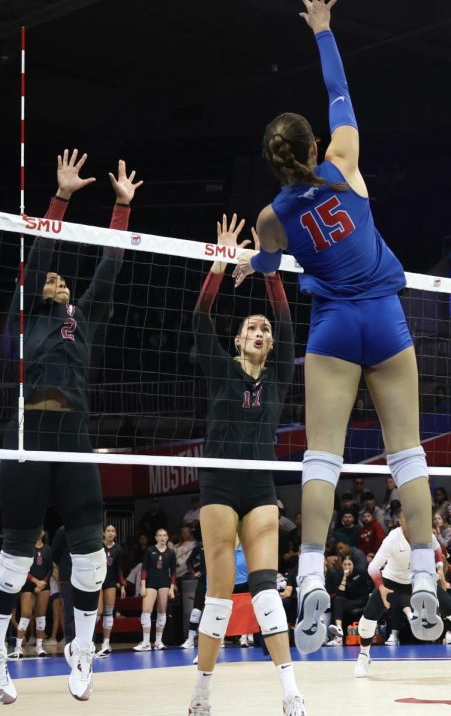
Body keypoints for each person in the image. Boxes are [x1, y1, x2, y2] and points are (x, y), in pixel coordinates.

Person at [232, 0, 440, 650]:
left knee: (321, 458)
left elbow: (269, 262)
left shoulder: (273, 216)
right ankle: (429, 583)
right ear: (315, 144)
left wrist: (249, 266)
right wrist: (321, 26)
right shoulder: (344, 163)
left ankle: (312, 582)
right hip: (383, 316)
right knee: (407, 456)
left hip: (332, 328)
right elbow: (340, 92)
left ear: (272, 164)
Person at [0, 151, 141, 706]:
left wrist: (121, 207)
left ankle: (82, 650)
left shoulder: (84, 316)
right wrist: (62, 198)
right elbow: (38, 254)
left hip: (75, 435)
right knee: (17, 554)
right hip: (26, 434)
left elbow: (110, 265)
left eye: (57, 277)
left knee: (92, 556)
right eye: (46, 278)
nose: (52, 278)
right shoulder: (29, 315)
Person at [188, 214, 306, 716]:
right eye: (250, 328)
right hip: (217, 484)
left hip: (259, 485)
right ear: (238, 341)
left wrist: (270, 268)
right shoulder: (220, 370)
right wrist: (219, 263)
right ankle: (201, 692)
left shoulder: (278, 375)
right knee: (218, 596)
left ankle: (291, 692)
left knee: (265, 590)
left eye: (263, 329)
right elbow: (199, 320)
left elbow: (287, 321)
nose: (259, 331)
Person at [354, 501, 451, 676]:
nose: (413, 521)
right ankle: (363, 656)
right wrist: (381, 587)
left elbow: (437, 550)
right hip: (393, 581)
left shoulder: (425, 534)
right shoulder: (392, 537)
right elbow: (373, 568)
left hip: (421, 580)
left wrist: (439, 571)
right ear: (400, 521)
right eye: (408, 518)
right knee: (368, 617)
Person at [11, 530, 52, 658]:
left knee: (41, 616)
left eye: (40, 530)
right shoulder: (27, 549)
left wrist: (43, 583)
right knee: (25, 615)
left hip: (44, 585)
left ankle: (39, 647)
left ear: (44, 533)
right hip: (28, 584)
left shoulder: (48, 549)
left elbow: (51, 568)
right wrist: (35, 581)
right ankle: (18, 647)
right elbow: (23, 568)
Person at [135, 529, 176, 651]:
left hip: (164, 584)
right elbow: (144, 569)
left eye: (164, 535)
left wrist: (172, 588)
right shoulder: (150, 551)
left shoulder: (171, 553)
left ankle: (158, 642)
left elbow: (173, 572)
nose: (162, 537)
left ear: (167, 537)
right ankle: (146, 642)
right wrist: (142, 586)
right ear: (156, 537)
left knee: (162, 611)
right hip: (150, 583)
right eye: (160, 535)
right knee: (146, 610)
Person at [96, 524, 125, 657]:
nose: (110, 533)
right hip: (97, 582)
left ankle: (106, 643)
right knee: (98, 612)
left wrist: (122, 584)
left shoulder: (118, 549)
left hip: (110, 583)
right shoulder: (98, 546)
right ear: (103, 533)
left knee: (108, 612)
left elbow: (119, 568)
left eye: (113, 531)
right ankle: (89, 641)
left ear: (115, 534)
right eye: (108, 531)